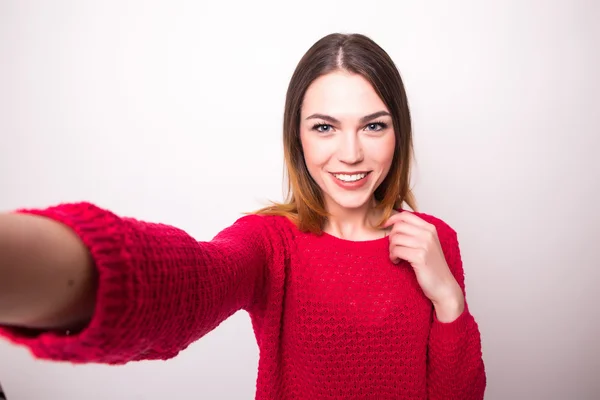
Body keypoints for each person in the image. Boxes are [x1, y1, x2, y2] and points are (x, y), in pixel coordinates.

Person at [0, 33, 486, 399]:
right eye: (325, 127)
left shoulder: (432, 239)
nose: (351, 152)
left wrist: (448, 298)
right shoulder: (271, 241)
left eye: (373, 126)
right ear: (297, 136)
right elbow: (196, 278)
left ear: (398, 131)